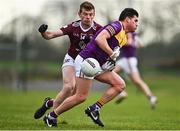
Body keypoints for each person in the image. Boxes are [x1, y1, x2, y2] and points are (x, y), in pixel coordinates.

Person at [43, 8, 139, 127]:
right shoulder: (117, 25)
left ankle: (95, 108)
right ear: (127, 19)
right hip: (86, 61)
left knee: (120, 85)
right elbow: (100, 39)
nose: (137, 24)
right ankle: (51, 117)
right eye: (135, 20)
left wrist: (110, 62)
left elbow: (107, 54)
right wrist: (111, 53)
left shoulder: (124, 37)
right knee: (80, 97)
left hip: (96, 64)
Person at [34, 1, 102, 120]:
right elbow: (51, 35)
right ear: (79, 14)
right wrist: (43, 32)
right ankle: (51, 117)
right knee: (69, 87)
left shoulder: (98, 29)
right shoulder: (73, 27)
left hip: (85, 64)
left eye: (91, 14)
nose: (88, 17)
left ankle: (49, 104)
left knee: (74, 95)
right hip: (71, 59)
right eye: (85, 14)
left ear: (94, 15)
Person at [113, 32, 157, 109]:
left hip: (129, 60)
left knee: (137, 81)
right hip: (124, 59)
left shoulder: (128, 32)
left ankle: (151, 97)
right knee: (109, 73)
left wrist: (120, 42)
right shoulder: (133, 34)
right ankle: (121, 93)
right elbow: (142, 44)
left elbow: (129, 42)